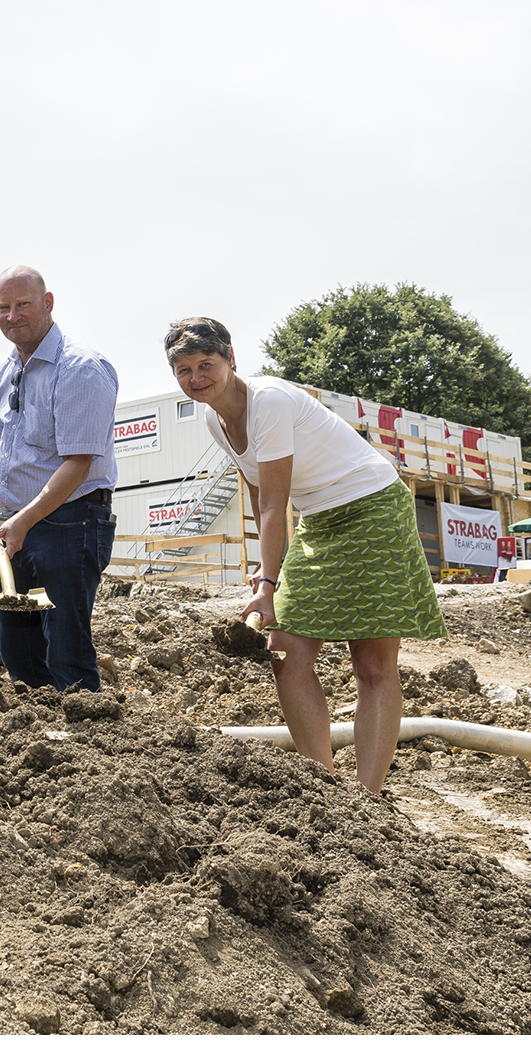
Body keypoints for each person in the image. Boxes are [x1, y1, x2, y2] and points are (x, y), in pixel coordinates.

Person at [166, 316, 444, 794]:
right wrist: (265, 569)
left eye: (206, 364)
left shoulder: (269, 401)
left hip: (372, 507)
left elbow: (277, 505)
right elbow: (258, 492)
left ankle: (367, 800)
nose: (197, 378)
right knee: (286, 654)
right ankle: (325, 789)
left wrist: (268, 585)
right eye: (184, 370)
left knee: (371, 664)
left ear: (231, 359)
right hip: (320, 518)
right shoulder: (214, 418)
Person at [0, 265, 118, 691]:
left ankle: (87, 727)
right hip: (18, 526)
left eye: (23, 304)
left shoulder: (80, 368)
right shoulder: (8, 370)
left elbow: (78, 464)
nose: (12, 316)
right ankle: (38, 731)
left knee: (65, 652)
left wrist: (22, 522)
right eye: (3, 308)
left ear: (48, 303)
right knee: (19, 654)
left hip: (70, 522)